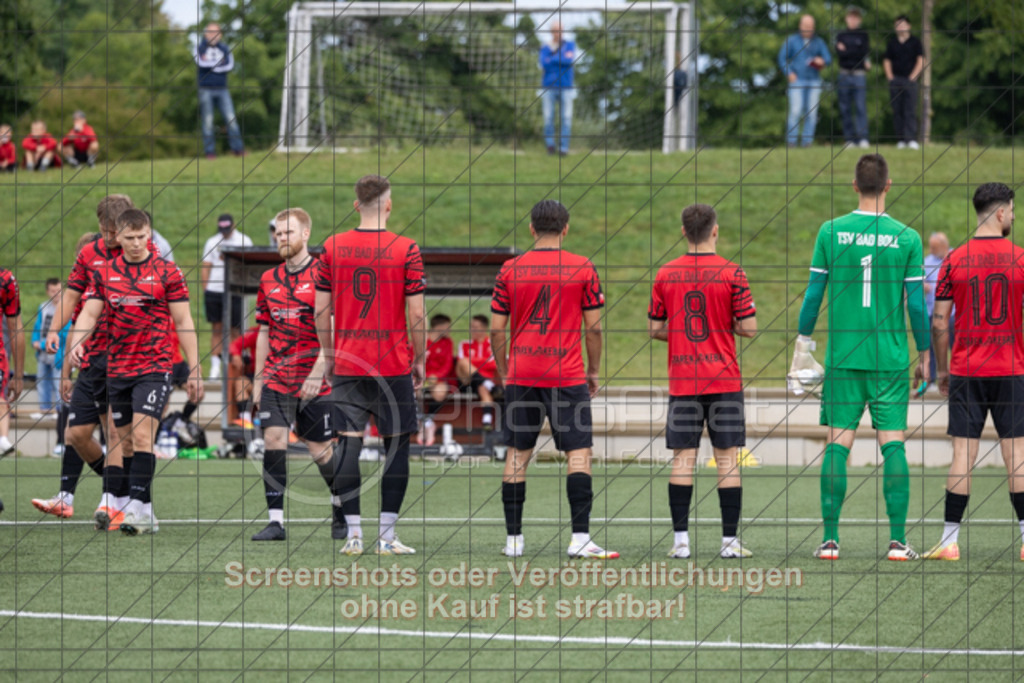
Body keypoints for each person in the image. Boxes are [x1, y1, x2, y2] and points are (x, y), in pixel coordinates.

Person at [793, 154, 930, 561]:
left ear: (855, 185)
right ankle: (897, 542)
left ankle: (830, 541)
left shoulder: (831, 231)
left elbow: (813, 295)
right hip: (889, 358)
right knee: (893, 446)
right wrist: (924, 354)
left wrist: (802, 345)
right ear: (888, 185)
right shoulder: (907, 237)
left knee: (837, 446)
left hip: (843, 357)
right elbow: (917, 308)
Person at [491, 199, 617, 560]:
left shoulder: (509, 270)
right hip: (567, 375)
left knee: (517, 455)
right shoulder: (582, 267)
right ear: (566, 229)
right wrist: (593, 371)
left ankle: (514, 541)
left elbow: (497, 332)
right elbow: (594, 329)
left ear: (532, 229)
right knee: (579, 454)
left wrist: (505, 371)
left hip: (522, 374)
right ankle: (579, 538)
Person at [69, 209, 203, 536]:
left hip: (155, 367)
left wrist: (195, 366)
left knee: (143, 437)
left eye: (142, 237)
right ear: (118, 236)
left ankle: (139, 512)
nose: (136, 243)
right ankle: (145, 511)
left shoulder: (167, 272)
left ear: (149, 235)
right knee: (127, 444)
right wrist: (77, 340)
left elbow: (184, 322)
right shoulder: (106, 272)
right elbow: (88, 313)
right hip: (119, 367)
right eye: (129, 238)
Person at [315, 174, 427, 556]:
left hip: (349, 363)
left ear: (355, 205)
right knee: (396, 448)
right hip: (392, 363)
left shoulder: (332, 247)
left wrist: (330, 358)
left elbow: (320, 312)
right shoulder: (405, 248)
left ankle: (354, 536)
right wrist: (421, 357)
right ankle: (387, 538)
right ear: (389, 205)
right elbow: (417, 314)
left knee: (348, 445)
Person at [648, 204, 758, 560]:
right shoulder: (733, 273)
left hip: (683, 380)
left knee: (683, 459)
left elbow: (654, 328)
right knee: (727, 460)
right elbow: (749, 328)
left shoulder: (665, 274)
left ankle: (681, 543)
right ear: (715, 230)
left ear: (683, 231)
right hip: (723, 378)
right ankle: (729, 542)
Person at [38, 199, 152, 530]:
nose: (116, 238)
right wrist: (57, 333)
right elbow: (73, 298)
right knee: (76, 433)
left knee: (117, 430)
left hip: (128, 355)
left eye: (120, 232)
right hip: (93, 355)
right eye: (109, 231)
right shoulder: (89, 254)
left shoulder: (141, 252)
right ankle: (121, 489)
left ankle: (112, 502)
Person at [925, 183, 1024, 562]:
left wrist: (943, 369)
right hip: (1012, 368)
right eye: (1012, 210)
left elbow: (939, 322)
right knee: (1016, 455)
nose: (1013, 216)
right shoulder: (1020, 258)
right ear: (1000, 213)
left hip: (967, 369)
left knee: (962, 454)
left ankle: (949, 541)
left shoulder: (954, 260)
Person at [251, 208, 347, 542]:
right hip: (277, 378)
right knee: (273, 440)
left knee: (320, 450)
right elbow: (263, 331)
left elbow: (332, 329)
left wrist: (318, 370)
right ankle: (275, 522)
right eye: (277, 233)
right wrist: (258, 380)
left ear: (305, 234)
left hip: (314, 379)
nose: (281, 238)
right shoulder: (267, 279)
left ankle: (340, 506)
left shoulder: (325, 274)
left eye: (287, 232)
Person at [201, 213, 252, 380]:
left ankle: (234, 366)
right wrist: (205, 289)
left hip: (234, 290)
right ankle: (215, 368)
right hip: (214, 290)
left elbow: (248, 266)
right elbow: (206, 266)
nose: (225, 232)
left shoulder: (244, 241)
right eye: (222, 229)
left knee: (235, 329)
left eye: (227, 229)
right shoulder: (212, 241)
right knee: (217, 328)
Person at [778, 15, 831, 148]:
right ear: (800, 26)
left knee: (811, 113)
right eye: (805, 25)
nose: (808, 28)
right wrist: (789, 72)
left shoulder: (819, 42)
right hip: (797, 80)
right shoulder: (792, 41)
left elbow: (828, 58)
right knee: (795, 111)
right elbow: (781, 58)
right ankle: (791, 142)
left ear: (813, 27)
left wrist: (822, 61)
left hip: (814, 81)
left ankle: (807, 142)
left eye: (810, 26)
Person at [195, 22, 245, 159]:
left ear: (220, 34)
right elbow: (200, 63)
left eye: (215, 32)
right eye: (210, 32)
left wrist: (212, 67)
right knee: (208, 121)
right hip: (205, 89)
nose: (213, 35)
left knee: (231, 119)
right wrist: (218, 64)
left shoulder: (225, 48)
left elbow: (229, 65)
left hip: (223, 89)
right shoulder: (199, 48)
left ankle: (238, 149)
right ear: (205, 34)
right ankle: (210, 152)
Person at [883, 15, 924, 149]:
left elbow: (921, 60)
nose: (900, 27)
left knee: (910, 110)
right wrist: (890, 77)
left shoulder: (916, 42)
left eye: (902, 24)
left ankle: (910, 139)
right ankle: (900, 140)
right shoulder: (892, 43)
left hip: (910, 80)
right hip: (896, 81)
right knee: (897, 110)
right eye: (897, 25)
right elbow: (887, 60)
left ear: (908, 26)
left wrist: (913, 77)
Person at [835, 6, 871, 148]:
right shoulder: (840, 35)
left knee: (861, 107)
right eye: (850, 16)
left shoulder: (864, 35)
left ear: (859, 19)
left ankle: (862, 138)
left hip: (859, 76)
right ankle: (849, 139)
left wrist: (847, 50)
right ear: (846, 18)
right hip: (844, 74)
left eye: (855, 17)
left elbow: (862, 53)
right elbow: (840, 54)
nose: (853, 19)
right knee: (845, 108)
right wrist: (853, 51)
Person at [539, 21, 576, 156]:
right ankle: (550, 145)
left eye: (560, 30)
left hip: (566, 87)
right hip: (548, 87)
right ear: (551, 32)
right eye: (555, 30)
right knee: (548, 118)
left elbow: (568, 60)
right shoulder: (545, 47)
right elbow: (544, 63)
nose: (558, 33)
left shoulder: (570, 45)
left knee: (566, 118)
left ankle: (563, 148)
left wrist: (552, 58)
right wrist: (559, 58)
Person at [456, 314, 499, 426]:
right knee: (463, 362)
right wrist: (484, 361)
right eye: (471, 326)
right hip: (467, 380)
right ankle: (484, 381)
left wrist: (474, 361)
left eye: (475, 327)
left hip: (486, 381)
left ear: (484, 328)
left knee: (482, 387)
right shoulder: (464, 344)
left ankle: (487, 420)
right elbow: (461, 363)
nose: (472, 330)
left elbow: (494, 364)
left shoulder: (493, 344)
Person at [420, 313, 455, 447]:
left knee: (441, 392)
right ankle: (419, 420)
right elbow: (414, 361)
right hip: (421, 377)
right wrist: (426, 376)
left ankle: (428, 419)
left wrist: (436, 376)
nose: (449, 330)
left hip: (439, 379)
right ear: (439, 327)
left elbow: (447, 365)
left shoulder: (447, 342)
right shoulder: (422, 340)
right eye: (447, 327)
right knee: (413, 390)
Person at [0, 266, 24, 456]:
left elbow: (16, 327)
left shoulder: (6, 279)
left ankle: (2, 439)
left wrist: (19, 373)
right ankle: (3, 438)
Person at [30, 278, 62, 417]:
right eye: (53, 291)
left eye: (59, 291)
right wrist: (35, 341)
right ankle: (45, 409)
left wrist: (42, 344)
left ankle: (60, 411)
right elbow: (38, 326)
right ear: (48, 292)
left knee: (58, 383)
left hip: (57, 352)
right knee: (42, 381)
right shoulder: (43, 307)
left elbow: (64, 332)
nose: (56, 294)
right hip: (43, 354)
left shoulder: (66, 308)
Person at [923, 232, 951, 384]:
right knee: (932, 347)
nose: (931, 250)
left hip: (953, 313)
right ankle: (932, 380)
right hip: (932, 311)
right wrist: (923, 286)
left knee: (957, 346)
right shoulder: (927, 262)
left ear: (943, 246)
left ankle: (958, 379)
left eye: (934, 247)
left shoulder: (956, 258)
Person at [227, 325, 259, 424]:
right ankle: (246, 422)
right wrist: (236, 355)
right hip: (257, 376)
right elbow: (234, 345)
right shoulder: (257, 332)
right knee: (240, 383)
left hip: (280, 379)